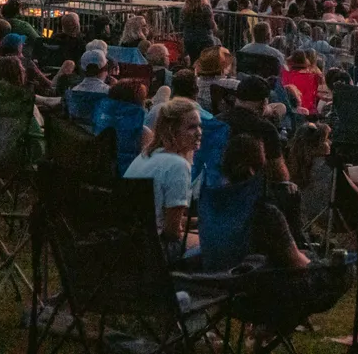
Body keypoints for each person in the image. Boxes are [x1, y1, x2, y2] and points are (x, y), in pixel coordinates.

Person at [125, 98, 203, 260]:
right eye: (191, 127)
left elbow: (159, 216)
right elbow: (172, 233)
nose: (199, 132)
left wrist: (198, 221)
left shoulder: (147, 156)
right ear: (171, 131)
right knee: (212, 244)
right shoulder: (178, 165)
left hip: (132, 243)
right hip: (156, 250)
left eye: (199, 126)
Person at [220, 134, 311, 269]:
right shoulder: (264, 212)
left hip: (218, 275)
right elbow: (298, 262)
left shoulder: (214, 202)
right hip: (256, 280)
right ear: (253, 168)